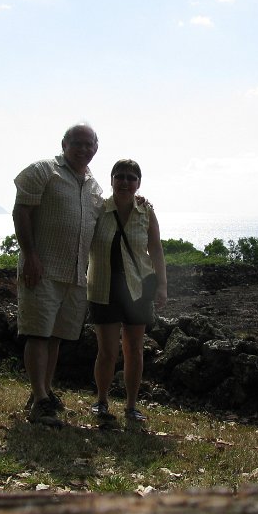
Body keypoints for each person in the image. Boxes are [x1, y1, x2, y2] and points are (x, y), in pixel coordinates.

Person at [12, 123, 104, 427]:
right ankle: (40, 401)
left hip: (76, 273)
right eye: (77, 142)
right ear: (64, 144)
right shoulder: (43, 170)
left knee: (55, 337)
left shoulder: (94, 187)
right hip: (43, 268)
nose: (83, 148)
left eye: (89, 144)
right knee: (38, 332)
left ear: (96, 148)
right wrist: (30, 256)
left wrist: (140, 203)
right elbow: (21, 211)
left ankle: (44, 392)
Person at [87, 159, 167, 424]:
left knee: (135, 349)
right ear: (111, 180)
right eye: (119, 176)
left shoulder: (146, 212)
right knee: (107, 351)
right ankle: (101, 401)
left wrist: (162, 285)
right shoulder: (97, 209)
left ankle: (132, 406)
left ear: (138, 183)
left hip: (138, 288)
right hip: (102, 286)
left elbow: (155, 249)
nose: (125, 181)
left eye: (131, 178)